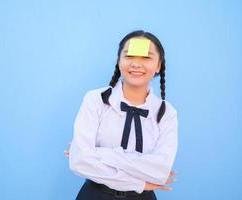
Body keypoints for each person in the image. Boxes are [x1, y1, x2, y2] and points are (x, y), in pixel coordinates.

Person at [65, 30, 178, 200]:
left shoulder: (166, 112)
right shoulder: (95, 100)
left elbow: (159, 170)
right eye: (129, 56)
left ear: (159, 65)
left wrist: (100, 153)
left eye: (146, 58)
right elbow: (80, 162)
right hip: (95, 195)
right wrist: (138, 183)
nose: (136, 64)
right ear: (119, 61)